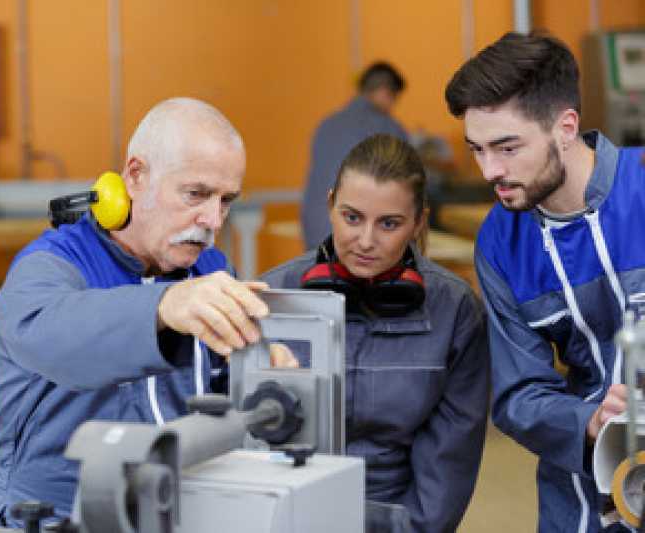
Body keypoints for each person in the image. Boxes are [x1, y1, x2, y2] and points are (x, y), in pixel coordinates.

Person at [0, 97, 296, 526]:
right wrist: (164, 306)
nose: (212, 219)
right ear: (136, 176)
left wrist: (263, 364)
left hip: (170, 504)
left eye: (225, 200)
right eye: (196, 194)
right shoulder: (50, 265)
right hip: (56, 513)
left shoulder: (209, 269)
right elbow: (53, 333)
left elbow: (224, 389)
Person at [445, 32, 639, 532]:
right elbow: (518, 393)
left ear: (566, 127)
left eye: (507, 148)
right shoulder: (500, 242)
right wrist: (592, 422)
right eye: (477, 150)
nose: (491, 170)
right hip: (582, 493)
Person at [262, 134, 489, 533]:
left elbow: (447, 471)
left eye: (389, 223)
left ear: (419, 222)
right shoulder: (271, 297)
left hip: (396, 520)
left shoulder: (454, 312)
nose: (366, 241)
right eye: (352, 217)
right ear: (330, 204)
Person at [301, 62, 409, 249]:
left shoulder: (327, 124)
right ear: (385, 92)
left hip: (315, 237)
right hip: (358, 242)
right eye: (394, 99)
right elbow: (407, 184)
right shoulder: (387, 127)